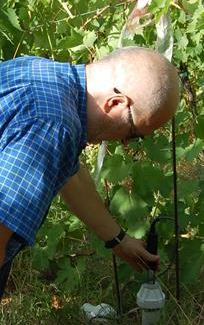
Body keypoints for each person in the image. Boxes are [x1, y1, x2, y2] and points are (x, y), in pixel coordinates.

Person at [0, 46, 179, 300]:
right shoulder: (53, 124)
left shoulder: (44, 73)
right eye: (133, 133)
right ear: (116, 103)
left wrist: (117, 239)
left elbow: (69, 174)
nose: (126, 144)